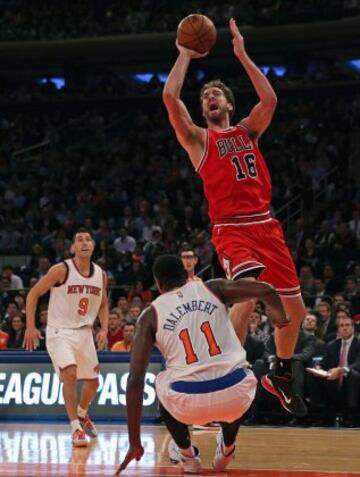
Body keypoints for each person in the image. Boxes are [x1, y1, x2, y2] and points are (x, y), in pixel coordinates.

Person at [162, 18, 307, 416]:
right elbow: (171, 99)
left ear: (228, 105)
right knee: (247, 289)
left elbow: (271, 101)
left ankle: (280, 372)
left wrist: (242, 54)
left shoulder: (247, 132)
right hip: (233, 230)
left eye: (216, 94)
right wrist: (184, 54)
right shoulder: (198, 140)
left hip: (267, 224)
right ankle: (231, 369)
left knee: (296, 314)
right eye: (204, 95)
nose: (209, 97)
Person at [117, 255, 289, 474]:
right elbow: (266, 290)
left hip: (187, 403)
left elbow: (135, 381)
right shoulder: (213, 288)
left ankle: (188, 457)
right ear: (187, 275)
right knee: (236, 373)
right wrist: (280, 318)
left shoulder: (149, 315)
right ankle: (227, 450)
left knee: (162, 383)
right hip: (235, 395)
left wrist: (135, 442)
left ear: (158, 283)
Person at [23, 228, 109, 447]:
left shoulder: (101, 274)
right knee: (69, 374)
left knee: (93, 383)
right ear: (73, 247)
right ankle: (75, 429)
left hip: (84, 332)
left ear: (93, 246)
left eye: (88, 239)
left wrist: (104, 329)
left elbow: (104, 303)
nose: (84, 243)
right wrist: (30, 327)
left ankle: (82, 413)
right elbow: (33, 293)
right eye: (79, 240)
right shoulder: (61, 270)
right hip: (59, 331)